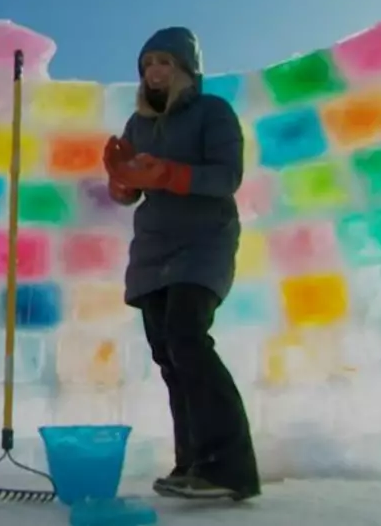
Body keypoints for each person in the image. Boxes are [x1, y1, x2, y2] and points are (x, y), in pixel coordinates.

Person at [102, 26, 260, 501]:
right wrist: (121, 181)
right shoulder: (138, 127)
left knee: (188, 341)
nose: (154, 72)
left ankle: (230, 468)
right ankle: (193, 463)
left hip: (203, 241)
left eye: (164, 62)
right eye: (148, 63)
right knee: (170, 357)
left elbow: (225, 177)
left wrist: (168, 173)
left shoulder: (213, 112)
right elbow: (131, 193)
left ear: (186, 68)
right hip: (154, 250)